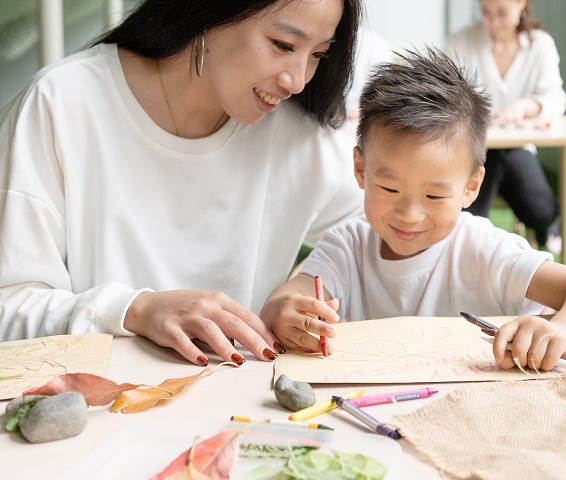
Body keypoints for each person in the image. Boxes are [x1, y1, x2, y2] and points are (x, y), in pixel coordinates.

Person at [0, 0, 365, 366]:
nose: (297, 80)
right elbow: (9, 308)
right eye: (283, 45)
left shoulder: (297, 134)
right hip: (94, 411)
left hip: (241, 409)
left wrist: (293, 295)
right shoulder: (62, 104)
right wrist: (136, 311)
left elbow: (383, 232)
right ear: (208, 12)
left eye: (318, 54)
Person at [260, 49, 566, 372]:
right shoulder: (347, 246)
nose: (410, 214)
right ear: (361, 170)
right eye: (390, 188)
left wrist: (561, 330)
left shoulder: (485, 250)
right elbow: (289, 296)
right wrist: (283, 310)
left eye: (434, 197)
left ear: (471, 187)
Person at [445, 0, 566, 253]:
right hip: (474, 149)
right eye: (486, 12)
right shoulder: (461, 42)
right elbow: (444, 96)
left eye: (502, 13)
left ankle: (547, 227)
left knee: (541, 211)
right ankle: (471, 253)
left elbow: (556, 98)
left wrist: (527, 105)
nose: (494, 21)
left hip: (517, 148)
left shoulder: (540, 45)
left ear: (521, 4)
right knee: (471, 209)